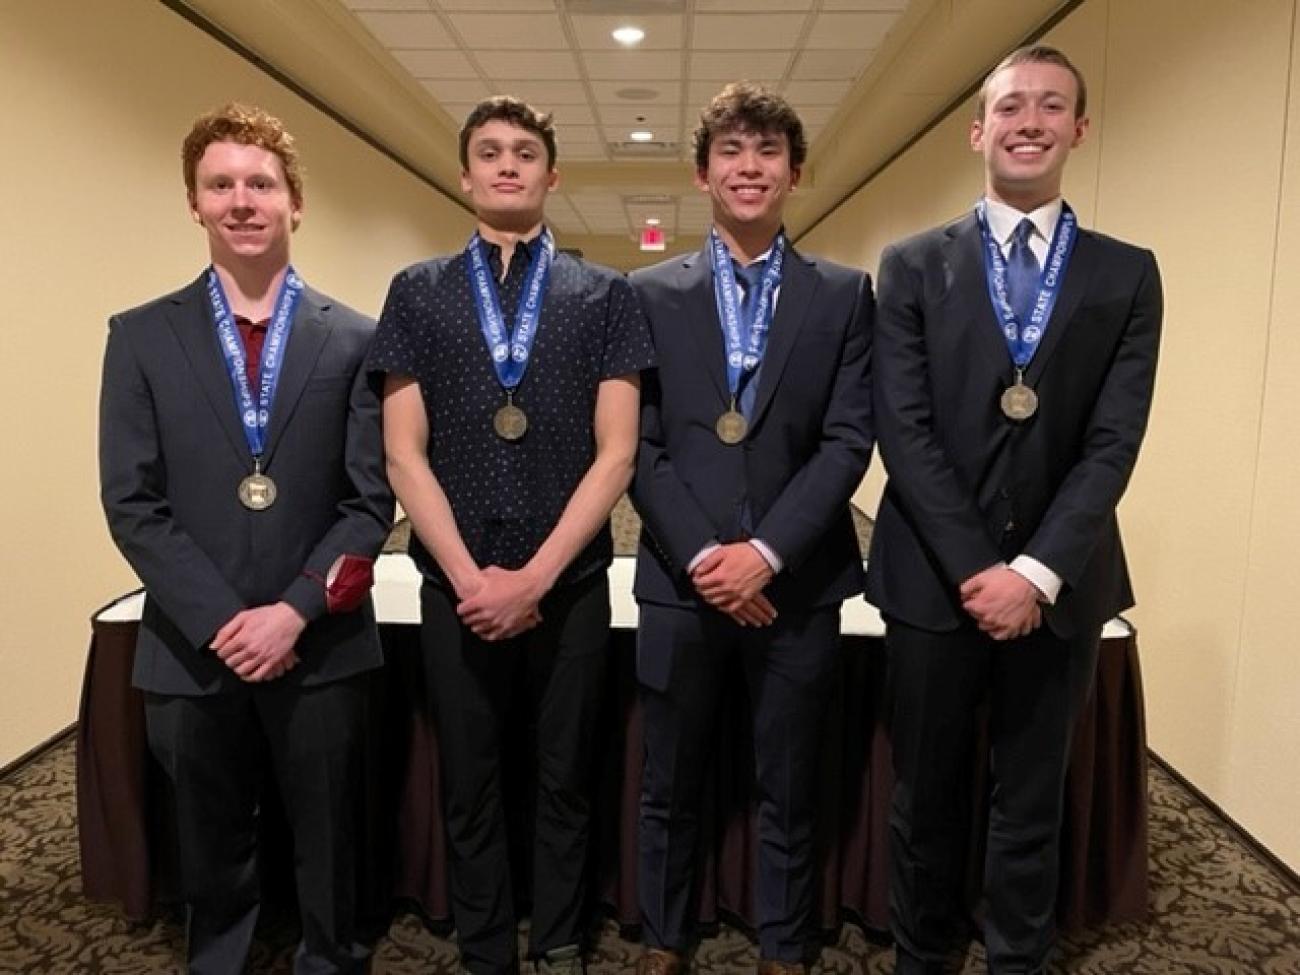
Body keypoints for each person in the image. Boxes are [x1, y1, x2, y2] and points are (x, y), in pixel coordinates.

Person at [866, 46, 1163, 974]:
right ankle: (923, 954)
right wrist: (975, 570)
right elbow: (903, 432)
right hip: (932, 581)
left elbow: (1113, 441)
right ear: (977, 130)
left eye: (1051, 105)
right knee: (927, 794)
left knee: (1032, 796)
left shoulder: (1127, 274)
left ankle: (1018, 958)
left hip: (1061, 585)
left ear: (1079, 129)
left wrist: (1032, 571)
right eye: (1009, 106)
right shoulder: (911, 266)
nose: (1028, 120)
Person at [98, 103, 393, 974]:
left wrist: (292, 613)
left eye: (260, 183)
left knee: (329, 832)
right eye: (219, 184)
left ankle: (332, 957)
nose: (241, 200)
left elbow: (369, 503)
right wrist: (228, 619)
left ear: (294, 201)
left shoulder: (355, 339)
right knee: (210, 832)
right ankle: (219, 958)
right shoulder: (141, 337)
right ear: (193, 203)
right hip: (193, 644)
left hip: (321, 640)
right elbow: (132, 502)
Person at [369, 96, 654, 975]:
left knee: (566, 774)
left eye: (524, 152)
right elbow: (402, 455)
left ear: (550, 175)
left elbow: (618, 456)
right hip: (452, 583)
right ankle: (488, 945)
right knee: (472, 773)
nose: (506, 164)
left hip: (567, 585)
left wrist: (531, 578)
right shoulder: (416, 292)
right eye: (488, 152)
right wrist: (468, 578)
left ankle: (562, 937)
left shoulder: (605, 293)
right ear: (464, 175)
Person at [628, 82, 874, 975]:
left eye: (768, 152)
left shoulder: (845, 295)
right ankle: (662, 936)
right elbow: (637, 444)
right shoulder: (646, 293)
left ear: (794, 174)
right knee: (668, 780)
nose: (749, 167)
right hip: (677, 578)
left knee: (789, 779)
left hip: (797, 581)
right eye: (732, 151)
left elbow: (849, 439)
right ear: (703, 173)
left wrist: (765, 554)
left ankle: (783, 944)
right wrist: (704, 555)